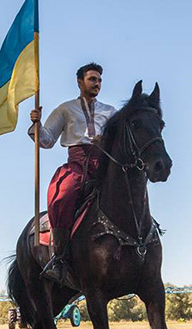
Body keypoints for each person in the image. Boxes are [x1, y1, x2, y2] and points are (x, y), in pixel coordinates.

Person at [29, 62, 117, 283]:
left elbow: (120, 140)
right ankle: (59, 256)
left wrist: (106, 142)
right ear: (80, 82)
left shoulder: (111, 111)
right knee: (62, 195)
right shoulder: (65, 109)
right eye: (92, 79)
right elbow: (47, 141)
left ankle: (144, 244)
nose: (97, 84)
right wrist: (36, 125)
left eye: (99, 80)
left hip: (106, 164)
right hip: (77, 164)